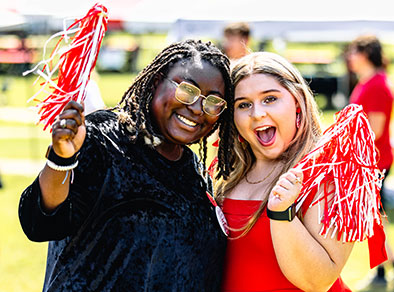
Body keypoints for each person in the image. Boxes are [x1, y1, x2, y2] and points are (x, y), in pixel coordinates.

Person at [18, 39, 232, 291]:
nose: (197, 109)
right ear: (156, 82)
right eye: (187, 91)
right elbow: (41, 222)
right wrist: (61, 159)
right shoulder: (104, 138)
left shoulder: (193, 170)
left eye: (212, 102)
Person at [213, 52, 360, 291]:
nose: (257, 113)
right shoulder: (226, 174)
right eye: (244, 104)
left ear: (297, 102)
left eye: (270, 99)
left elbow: (319, 281)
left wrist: (282, 212)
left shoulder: (328, 174)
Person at [347, 35, 394, 290]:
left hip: (374, 163)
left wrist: (342, 138)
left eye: (354, 51)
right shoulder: (368, 82)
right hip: (368, 162)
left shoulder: (376, 84)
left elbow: (373, 130)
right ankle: (384, 271)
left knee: (372, 219)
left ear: (366, 54)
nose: (350, 57)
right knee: (371, 219)